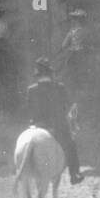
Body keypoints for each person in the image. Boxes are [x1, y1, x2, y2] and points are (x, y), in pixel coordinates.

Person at [26, 57, 83, 185]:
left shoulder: (31, 90)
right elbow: (70, 107)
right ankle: (74, 174)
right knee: (71, 145)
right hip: (58, 127)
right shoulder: (60, 88)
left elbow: (29, 111)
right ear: (50, 73)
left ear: (38, 74)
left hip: (38, 127)